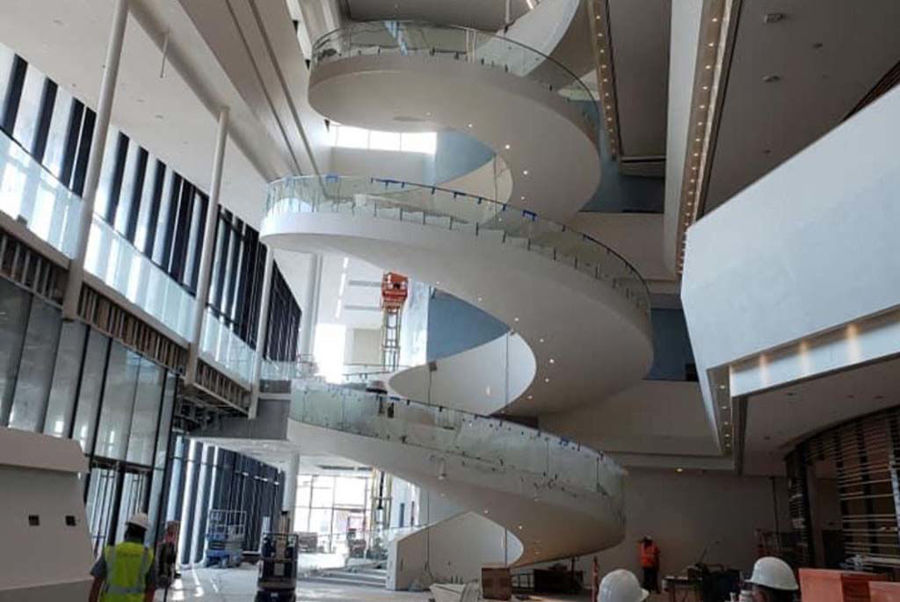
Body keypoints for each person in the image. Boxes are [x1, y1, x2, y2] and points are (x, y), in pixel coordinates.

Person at [89, 512, 157, 602]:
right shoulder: (148, 556)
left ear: (127, 531)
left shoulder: (110, 551)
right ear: (143, 534)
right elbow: (151, 589)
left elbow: (96, 584)